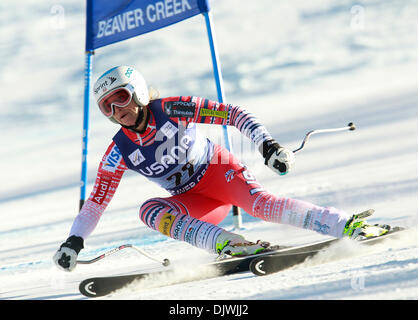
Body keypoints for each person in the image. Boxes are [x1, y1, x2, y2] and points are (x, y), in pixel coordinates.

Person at [53, 66, 390, 272]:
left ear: (138, 92)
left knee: (263, 207)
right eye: (106, 106)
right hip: (193, 201)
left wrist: (267, 145)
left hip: (219, 172)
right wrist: (74, 241)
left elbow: (232, 113)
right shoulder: (117, 151)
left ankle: (348, 225)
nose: (117, 109)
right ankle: (231, 245)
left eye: (122, 97)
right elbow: (96, 203)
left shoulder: (173, 108)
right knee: (149, 210)